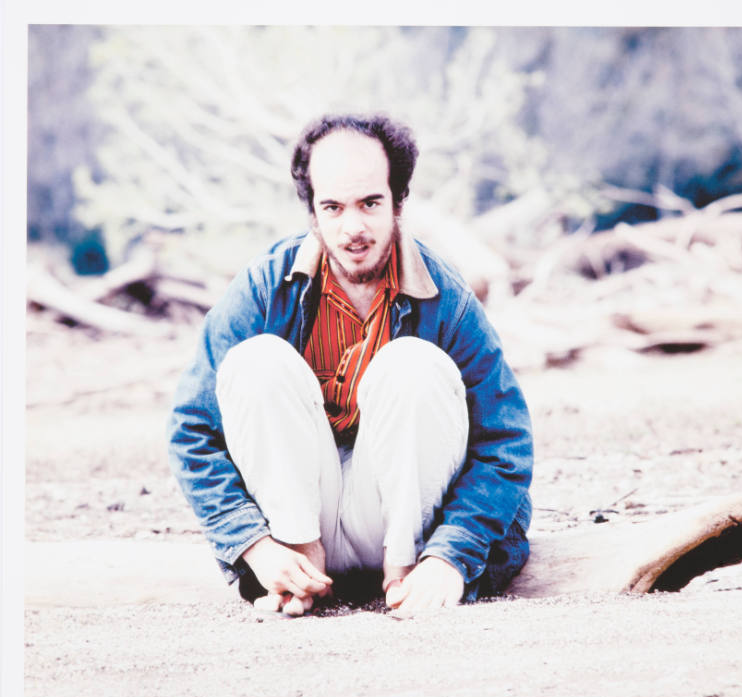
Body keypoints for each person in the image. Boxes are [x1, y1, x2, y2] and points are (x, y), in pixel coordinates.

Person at [167, 113, 533, 618]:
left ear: (398, 201)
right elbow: (191, 429)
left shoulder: (446, 298)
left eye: (370, 204)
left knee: (412, 364)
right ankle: (300, 574)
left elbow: (505, 442)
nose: (353, 227)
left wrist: (450, 556)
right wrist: (255, 546)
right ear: (313, 211)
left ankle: (404, 576)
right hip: (294, 524)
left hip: (407, 529)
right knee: (256, 361)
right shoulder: (264, 288)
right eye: (333, 207)